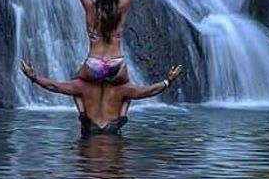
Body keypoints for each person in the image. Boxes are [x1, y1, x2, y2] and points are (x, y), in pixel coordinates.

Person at [42, 0, 168, 84]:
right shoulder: (120, 9)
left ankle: (82, 105)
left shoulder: (91, 9)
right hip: (116, 63)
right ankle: (124, 105)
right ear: (115, 0)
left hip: (94, 64)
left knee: (76, 86)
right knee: (128, 90)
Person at [19, 59, 183, 137]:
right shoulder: (122, 89)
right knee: (128, 98)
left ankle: (83, 113)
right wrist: (168, 81)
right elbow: (149, 91)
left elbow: (54, 86)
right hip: (113, 128)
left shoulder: (82, 87)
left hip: (90, 128)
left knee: (75, 92)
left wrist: (33, 77)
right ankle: (122, 116)